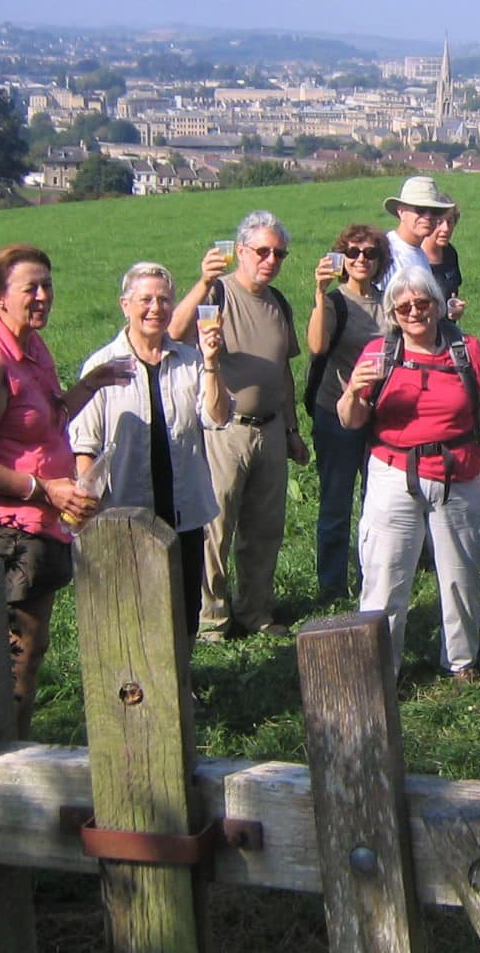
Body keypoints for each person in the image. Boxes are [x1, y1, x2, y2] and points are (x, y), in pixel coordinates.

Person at [0, 244, 128, 735]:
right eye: (32, 288)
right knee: (17, 656)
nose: (44, 296)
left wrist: (90, 385)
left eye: (48, 285)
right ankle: (4, 758)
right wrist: (44, 489)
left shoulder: (30, 346)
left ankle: (13, 747)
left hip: (40, 526)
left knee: (32, 648)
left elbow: (40, 421)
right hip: (9, 531)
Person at [337, 267, 480, 681]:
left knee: (460, 574)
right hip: (393, 474)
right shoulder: (378, 353)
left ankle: (460, 661)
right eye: (403, 306)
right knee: (385, 577)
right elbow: (351, 420)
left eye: (422, 303)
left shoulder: (466, 349)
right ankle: (379, 670)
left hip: (459, 473)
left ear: (437, 306)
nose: (414, 312)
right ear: (392, 312)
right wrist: (353, 391)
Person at [70, 262, 230, 642]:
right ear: (125, 304)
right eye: (145, 300)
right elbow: (84, 443)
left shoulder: (190, 362)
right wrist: (87, 508)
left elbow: (217, 416)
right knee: (136, 608)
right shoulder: (101, 366)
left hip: (184, 509)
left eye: (163, 300)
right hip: (126, 511)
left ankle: (183, 689)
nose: (155, 308)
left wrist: (211, 363)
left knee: (185, 611)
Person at [170, 210, 308, 640]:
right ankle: (211, 620)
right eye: (262, 251)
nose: (270, 260)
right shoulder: (218, 295)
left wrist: (291, 428)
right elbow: (174, 333)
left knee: (265, 528)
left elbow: (283, 369)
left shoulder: (278, 303)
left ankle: (256, 613)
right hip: (224, 431)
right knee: (217, 527)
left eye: (279, 254)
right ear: (241, 251)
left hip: (269, 429)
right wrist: (203, 282)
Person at [306, 224, 390, 602]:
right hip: (335, 414)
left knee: (378, 505)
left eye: (369, 253)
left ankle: (372, 580)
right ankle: (332, 587)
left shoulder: (389, 301)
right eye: (353, 253)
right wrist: (320, 293)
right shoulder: (336, 301)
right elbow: (318, 345)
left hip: (381, 416)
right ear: (341, 258)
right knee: (337, 503)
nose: (361, 260)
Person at [381, 175, 453, 294]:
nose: (428, 216)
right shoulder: (386, 253)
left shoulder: (421, 254)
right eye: (420, 209)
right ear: (401, 212)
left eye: (434, 211)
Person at [424, 202, 467, 321]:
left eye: (450, 222)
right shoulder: (416, 258)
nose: (446, 228)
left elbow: (452, 293)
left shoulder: (450, 253)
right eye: (439, 222)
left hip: (447, 330)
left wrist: (455, 310)